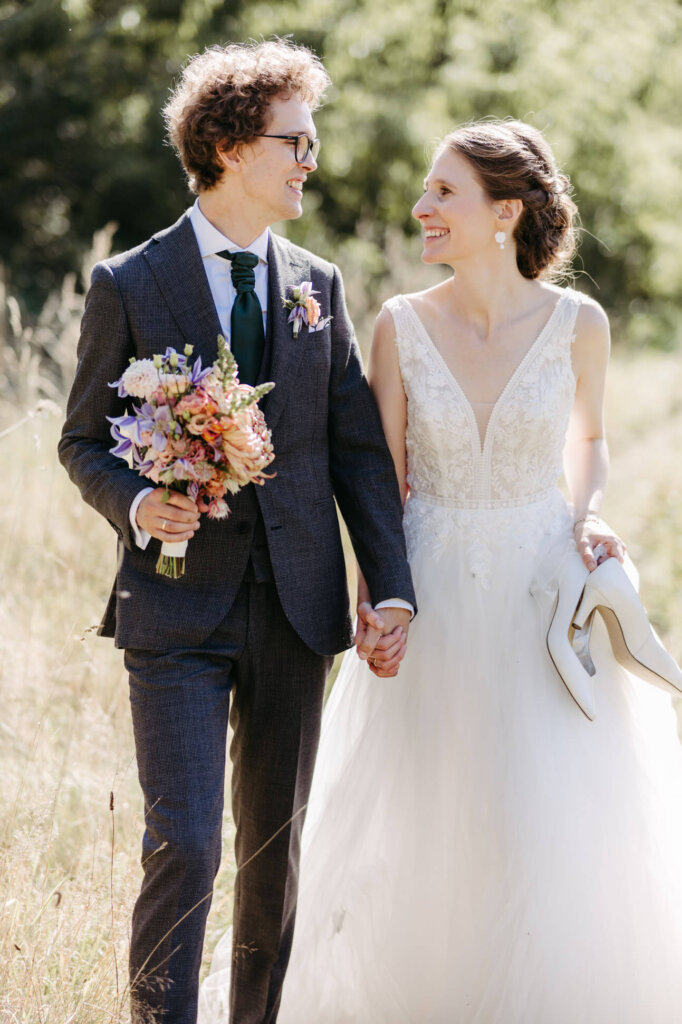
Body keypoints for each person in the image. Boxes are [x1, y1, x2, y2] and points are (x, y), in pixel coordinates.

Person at [199, 119, 682, 1022]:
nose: (422, 207)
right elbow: (379, 479)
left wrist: (590, 516)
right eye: (426, 190)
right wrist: (376, 596)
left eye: (443, 193)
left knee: (546, 820)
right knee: (425, 815)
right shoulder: (400, 325)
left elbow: (592, 443)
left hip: (543, 596)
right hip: (431, 594)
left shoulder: (581, 324)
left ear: (506, 212)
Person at [58, 40, 416, 1024]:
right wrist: (137, 502)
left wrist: (389, 585)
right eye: (294, 141)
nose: (311, 160)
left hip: (296, 609)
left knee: (272, 850)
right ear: (227, 146)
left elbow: (353, 451)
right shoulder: (128, 282)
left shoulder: (317, 283)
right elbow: (83, 439)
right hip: (173, 602)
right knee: (185, 842)